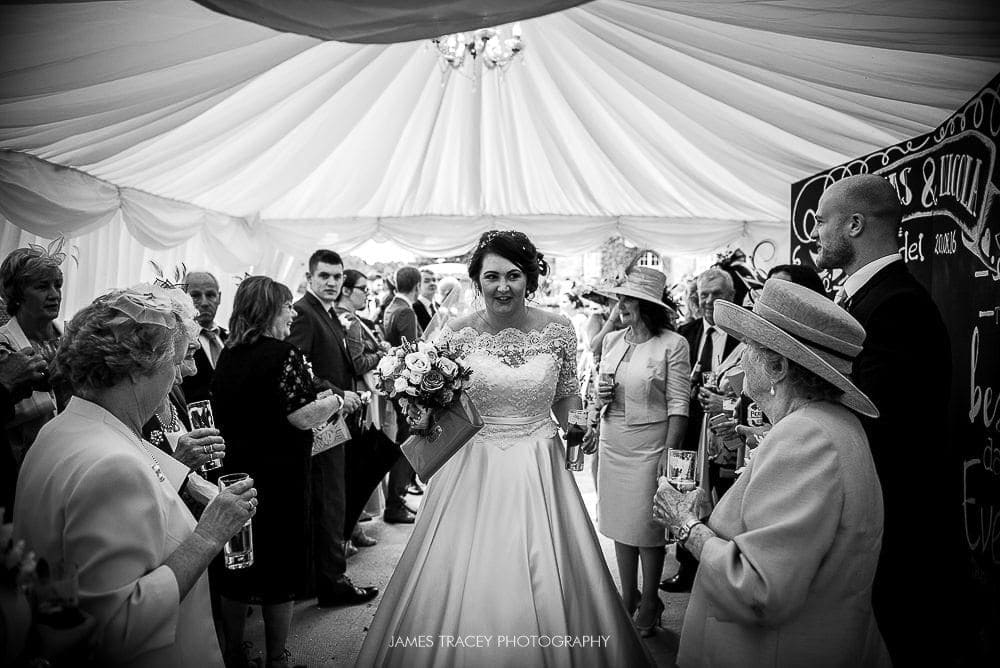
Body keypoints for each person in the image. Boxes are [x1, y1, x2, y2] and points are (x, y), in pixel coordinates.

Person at [357, 230, 654, 667]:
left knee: (554, 571)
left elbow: (567, 395)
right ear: (476, 280)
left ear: (529, 279)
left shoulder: (558, 329)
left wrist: (580, 424)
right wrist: (420, 417)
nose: (503, 286)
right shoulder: (455, 334)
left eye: (514, 275)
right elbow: (433, 404)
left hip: (541, 464)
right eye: (492, 276)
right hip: (471, 465)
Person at [14, 284, 257, 666]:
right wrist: (209, 536)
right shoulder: (113, 467)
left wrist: (192, 481)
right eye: (175, 362)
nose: (178, 377)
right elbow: (115, 628)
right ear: (137, 368)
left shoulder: (62, 427)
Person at [653, 278, 888, 666]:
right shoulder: (824, 424)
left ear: (777, 367)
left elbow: (758, 587)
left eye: (749, 346)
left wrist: (685, 525)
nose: (741, 357)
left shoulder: (805, 438)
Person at [811, 173, 958, 665]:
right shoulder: (866, 298)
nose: (815, 231)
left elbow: (874, 423)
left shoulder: (897, 306)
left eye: (823, 220)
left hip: (900, 532)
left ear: (854, 224)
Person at [211, 276, 343, 668]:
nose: (292, 312)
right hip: (280, 476)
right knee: (280, 566)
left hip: (237, 474)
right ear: (270, 310)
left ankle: (234, 652)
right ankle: (277, 657)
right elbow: (303, 416)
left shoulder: (229, 353)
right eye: (286, 306)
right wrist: (336, 401)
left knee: (239, 562)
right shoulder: (282, 354)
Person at [595, 267, 689, 636]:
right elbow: (600, 389)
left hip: (651, 444)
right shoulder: (612, 340)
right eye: (620, 298)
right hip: (612, 438)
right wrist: (600, 398)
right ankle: (627, 594)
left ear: (648, 306)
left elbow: (679, 402)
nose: (621, 305)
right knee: (620, 522)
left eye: (629, 299)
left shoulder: (672, 344)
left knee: (648, 526)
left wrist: (670, 451)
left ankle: (650, 599)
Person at [286, 250, 373, 608]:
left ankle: (321, 578)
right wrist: (340, 394)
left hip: (334, 420)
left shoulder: (329, 314)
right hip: (320, 421)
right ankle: (332, 582)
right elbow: (298, 372)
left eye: (337, 277)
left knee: (330, 499)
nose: (333, 283)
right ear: (309, 278)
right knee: (329, 500)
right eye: (325, 276)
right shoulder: (304, 314)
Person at [662, 267, 739, 594]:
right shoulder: (685, 334)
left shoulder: (743, 334)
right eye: (703, 295)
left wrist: (725, 402)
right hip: (688, 431)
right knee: (684, 496)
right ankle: (687, 568)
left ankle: (724, 570)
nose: (708, 301)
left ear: (731, 298)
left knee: (725, 502)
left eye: (716, 295)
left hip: (727, 436)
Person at [334, 269, 405, 549]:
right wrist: (383, 352)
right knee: (361, 467)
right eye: (363, 288)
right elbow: (358, 363)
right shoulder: (349, 320)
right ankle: (348, 530)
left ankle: (352, 528)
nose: (368, 293)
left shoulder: (352, 320)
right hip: (358, 404)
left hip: (360, 401)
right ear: (347, 290)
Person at [0, 244, 66, 464]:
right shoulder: (3, 343)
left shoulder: (74, 339)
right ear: (17, 294)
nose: (54, 295)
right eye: (42, 287)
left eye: (58, 285)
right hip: (25, 467)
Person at [380, 265, 423, 522]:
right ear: (417, 286)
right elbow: (411, 350)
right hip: (405, 386)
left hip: (394, 384)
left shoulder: (391, 306)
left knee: (404, 440)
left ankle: (397, 499)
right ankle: (395, 503)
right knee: (407, 443)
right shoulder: (406, 310)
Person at [181, 271, 228, 404]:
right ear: (183, 298)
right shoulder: (177, 341)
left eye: (210, 295)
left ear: (219, 297)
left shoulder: (231, 339)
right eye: (195, 296)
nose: (204, 302)